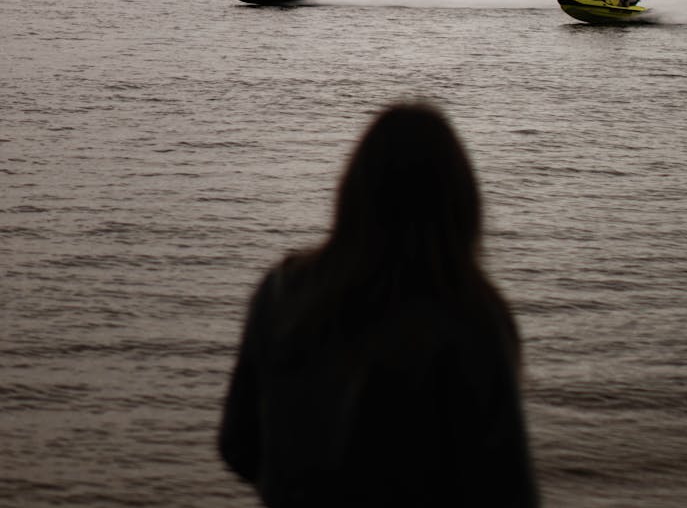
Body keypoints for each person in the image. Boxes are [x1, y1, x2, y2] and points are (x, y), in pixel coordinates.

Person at [219, 103, 538, 508]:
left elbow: (237, 446)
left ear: (351, 189)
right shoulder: (472, 318)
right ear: (462, 200)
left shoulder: (281, 291)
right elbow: (510, 490)